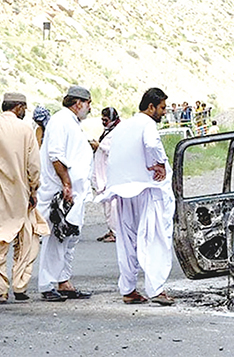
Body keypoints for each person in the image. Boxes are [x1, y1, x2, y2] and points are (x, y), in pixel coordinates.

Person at [0, 92, 49, 304]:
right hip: (20, 194)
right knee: (27, 238)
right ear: (19, 107)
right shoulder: (25, 130)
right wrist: (34, 191)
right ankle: (20, 286)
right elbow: (33, 165)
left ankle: (0, 290)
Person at [99, 88, 176, 306]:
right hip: (146, 189)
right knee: (154, 237)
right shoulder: (147, 124)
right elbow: (151, 144)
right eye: (161, 108)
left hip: (123, 191)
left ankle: (129, 289)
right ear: (151, 106)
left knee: (127, 241)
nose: (163, 113)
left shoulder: (124, 126)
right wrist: (160, 162)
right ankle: (156, 289)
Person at [37, 85, 94, 302]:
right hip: (60, 193)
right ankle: (46, 284)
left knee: (71, 236)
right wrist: (66, 183)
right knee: (57, 237)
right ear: (78, 103)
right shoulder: (61, 121)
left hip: (73, 194)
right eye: (88, 104)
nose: (89, 108)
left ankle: (64, 281)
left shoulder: (72, 123)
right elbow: (56, 155)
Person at [93, 107, 121, 243]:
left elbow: (116, 150)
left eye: (106, 119)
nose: (103, 122)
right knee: (106, 204)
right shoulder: (108, 131)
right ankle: (111, 229)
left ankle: (115, 232)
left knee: (112, 205)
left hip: (110, 174)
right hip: (102, 172)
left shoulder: (118, 131)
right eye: (102, 120)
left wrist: (99, 146)